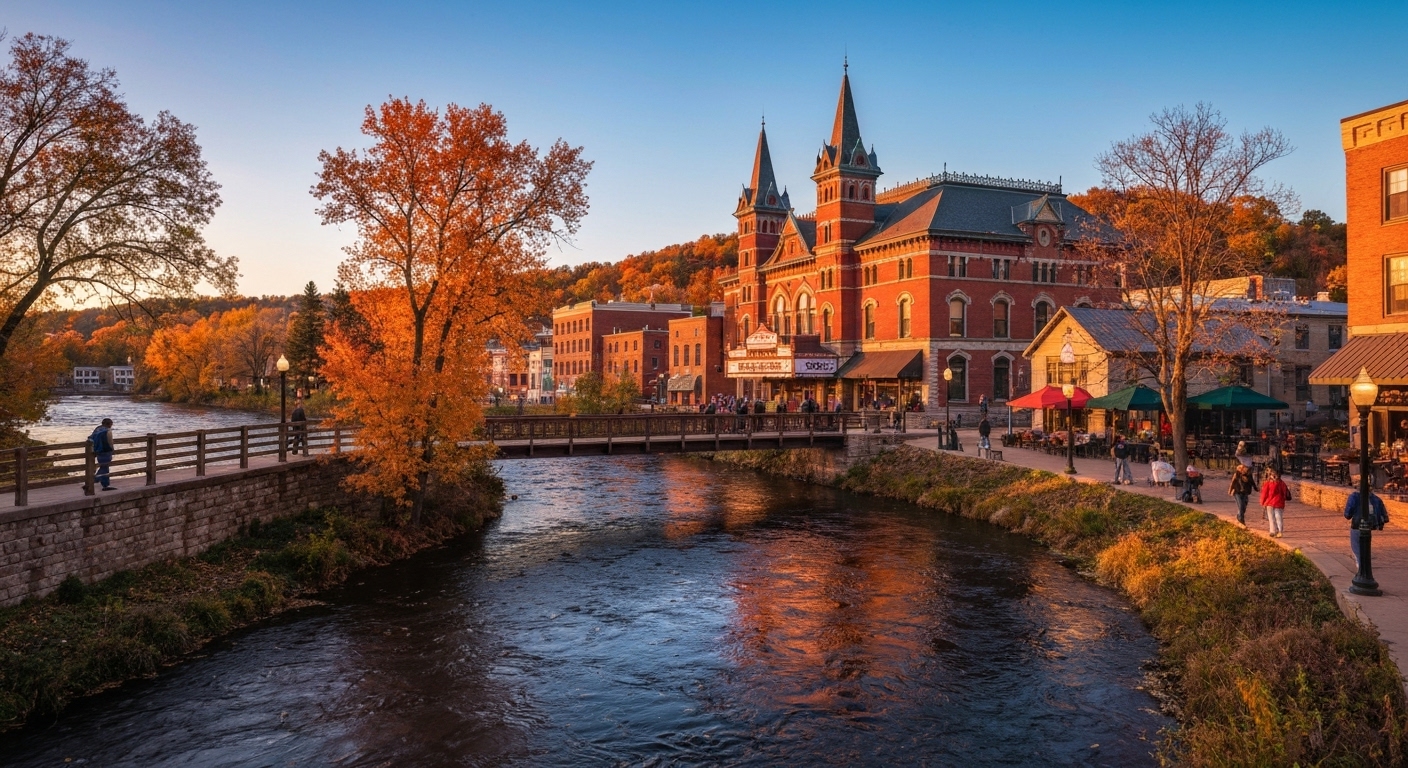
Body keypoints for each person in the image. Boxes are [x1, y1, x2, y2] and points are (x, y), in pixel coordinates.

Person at [1343, 488, 1389, 568]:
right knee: (1366, 545)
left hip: (1357, 524)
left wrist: (1349, 514)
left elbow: (1348, 514)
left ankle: (1361, 566)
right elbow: (1384, 515)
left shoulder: (1354, 497)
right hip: (1369, 525)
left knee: (1356, 546)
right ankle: (1365, 564)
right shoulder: (1376, 499)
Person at [1260, 469, 1289, 538]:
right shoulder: (1282, 483)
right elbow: (1285, 493)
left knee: (1272, 518)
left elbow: (1264, 494)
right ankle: (1279, 531)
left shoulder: (1268, 483)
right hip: (1279, 503)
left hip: (1270, 503)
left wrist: (1262, 502)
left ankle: (1273, 531)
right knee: (1278, 517)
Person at [89, 418, 116, 491]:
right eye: (111, 424)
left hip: (98, 451)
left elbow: (90, 438)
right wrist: (113, 450)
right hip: (106, 451)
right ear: (109, 424)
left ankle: (105, 484)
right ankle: (92, 481)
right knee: (105, 467)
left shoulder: (97, 429)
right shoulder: (107, 431)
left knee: (103, 467)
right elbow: (110, 442)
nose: (111, 426)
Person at [1228, 463, 1258, 527]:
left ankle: (1239, 516)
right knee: (1241, 505)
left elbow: (1252, 483)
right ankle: (1241, 520)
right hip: (1237, 493)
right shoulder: (1237, 475)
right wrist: (1230, 491)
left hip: (1245, 493)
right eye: (1244, 468)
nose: (1246, 470)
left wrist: (1256, 489)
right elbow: (1233, 483)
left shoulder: (1249, 475)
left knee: (1243, 507)